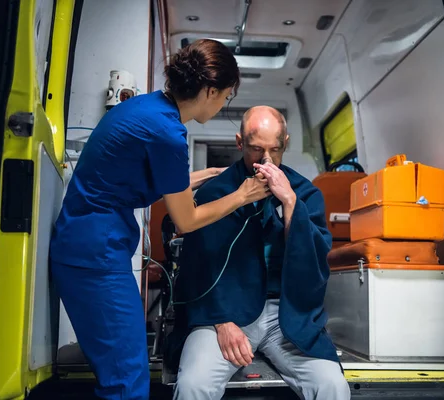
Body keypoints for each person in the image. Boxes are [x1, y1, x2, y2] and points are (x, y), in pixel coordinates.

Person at [49, 39, 270, 400]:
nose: (221, 104)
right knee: (127, 381)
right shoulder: (168, 133)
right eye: (225, 96)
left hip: (84, 242)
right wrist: (242, 194)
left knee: (120, 373)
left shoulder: (148, 107)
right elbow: (186, 219)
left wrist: (198, 177)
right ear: (210, 90)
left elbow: (131, 182)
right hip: (96, 255)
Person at [167, 106, 351, 400]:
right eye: (255, 149)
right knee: (194, 385)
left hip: (287, 314)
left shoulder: (305, 193)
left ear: (286, 143)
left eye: (274, 150)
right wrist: (221, 321)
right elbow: (196, 268)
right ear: (240, 143)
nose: (266, 159)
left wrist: (290, 203)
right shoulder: (217, 192)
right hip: (226, 313)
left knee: (332, 386)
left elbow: (316, 264)